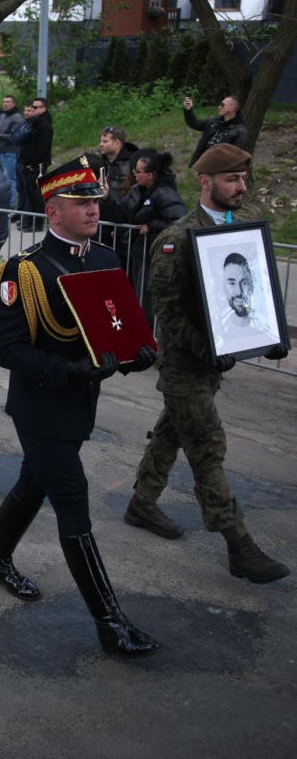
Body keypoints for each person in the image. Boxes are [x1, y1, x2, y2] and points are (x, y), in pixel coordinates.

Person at [0, 155, 160, 657]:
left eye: (94, 201)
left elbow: (113, 332)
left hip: (81, 403)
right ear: (53, 211)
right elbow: (8, 351)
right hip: (39, 407)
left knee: (31, 485)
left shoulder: (104, 259)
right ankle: (110, 621)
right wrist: (72, 371)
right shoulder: (25, 271)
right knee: (71, 499)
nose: (92, 210)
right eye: (81, 203)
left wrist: (135, 357)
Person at [126, 143, 289, 583]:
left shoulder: (236, 233)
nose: (241, 186)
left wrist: (266, 337)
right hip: (184, 366)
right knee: (206, 447)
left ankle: (141, 503)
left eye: (243, 179)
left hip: (211, 364)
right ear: (205, 182)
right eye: (231, 179)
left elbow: (247, 297)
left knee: (170, 434)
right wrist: (211, 349)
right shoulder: (177, 239)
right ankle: (239, 544)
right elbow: (170, 312)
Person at [118, 149, 187, 325]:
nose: (134, 174)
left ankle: (149, 336)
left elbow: (179, 221)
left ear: (150, 175)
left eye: (137, 172)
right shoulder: (139, 191)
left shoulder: (165, 194)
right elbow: (121, 210)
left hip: (154, 255)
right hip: (139, 253)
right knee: (137, 295)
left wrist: (152, 226)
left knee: (147, 300)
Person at [95, 125, 137, 252]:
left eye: (105, 141)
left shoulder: (130, 166)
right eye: (101, 141)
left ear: (117, 143)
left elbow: (128, 198)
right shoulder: (100, 163)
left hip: (119, 225)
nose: (100, 144)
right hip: (100, 224)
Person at [13, 97, 53, 230]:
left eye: (36, 107)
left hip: (37, 166)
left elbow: (42, 148)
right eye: (33, 107)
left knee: (36, 196)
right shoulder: (36, 124)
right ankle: (30, 221)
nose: (33, 110)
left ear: (43, 108)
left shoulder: (45, 126)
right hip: (30, 164)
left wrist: (34, 164)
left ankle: (37, 224)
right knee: (30, 194)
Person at [184, 95, 247, 168]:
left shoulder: (240, 131)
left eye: (222, 105)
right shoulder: (213, 122)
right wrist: (188, 110)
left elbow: (238, 156)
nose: (219, 107)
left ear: (232, 107)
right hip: (204, 165)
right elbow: (194, 123)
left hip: (220, 169)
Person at [0, 95, 24, 206]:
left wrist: (0, 136)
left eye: (8, 102)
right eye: (4, 101)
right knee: (0, 179)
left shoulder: (17, 117)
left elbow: (15, 136)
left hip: (10, 153)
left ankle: (11, 205)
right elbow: (0, 130)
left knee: (10, 180)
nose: (5, 104)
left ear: (13, 104)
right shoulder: (2, 115)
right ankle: (2, 203)